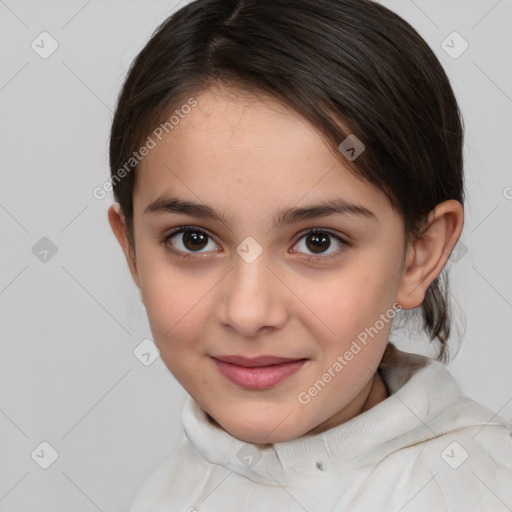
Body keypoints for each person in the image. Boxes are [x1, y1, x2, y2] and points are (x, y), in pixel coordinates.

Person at [106, 0, 512, 510]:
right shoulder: (166, 492)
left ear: (419, 255)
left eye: (318, 241)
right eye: (194, 239)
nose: (249, 312)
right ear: (133, 253)